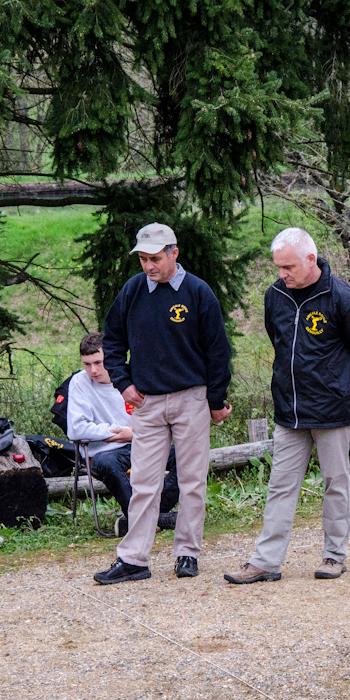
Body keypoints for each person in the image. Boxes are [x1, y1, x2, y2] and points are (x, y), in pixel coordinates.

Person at [225, 228, 350, 584]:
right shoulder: (275, 295)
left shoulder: (345, 299)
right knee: (280, 485)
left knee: (335, 482)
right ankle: (265, 561)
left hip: (332, 410)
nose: (282, 274)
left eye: (288, 267)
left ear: (311, 259)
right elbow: (278, 342)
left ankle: (334, 556)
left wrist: (342, 385)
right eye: (278, 267)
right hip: (289, 410)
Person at [92, 223, 232, 584]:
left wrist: (216, 399)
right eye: (143, 259)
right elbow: (112, 341)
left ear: (174, 253)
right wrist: (122, 382)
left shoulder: (198, 292)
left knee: (192, 481)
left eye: (155, 258)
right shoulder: (133, 290)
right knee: (143, 483)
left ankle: (187, 552)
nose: (148, 265)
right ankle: (134, 559)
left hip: (191, 398)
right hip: (147, 402)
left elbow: (218, 351)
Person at [66, 333, 179, 537]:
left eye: (98, 362)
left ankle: (146, 517)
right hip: (104, 452)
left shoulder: (133, 376)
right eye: (87, 364)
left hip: (141, 443)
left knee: (187, 454)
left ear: (110, 357)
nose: (93, 370)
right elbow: (76, 429)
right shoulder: (79, 382)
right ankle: (158, 519)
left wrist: (133, 433)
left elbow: (160, 416)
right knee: (108, 463)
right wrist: (117, 432)